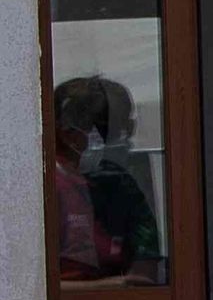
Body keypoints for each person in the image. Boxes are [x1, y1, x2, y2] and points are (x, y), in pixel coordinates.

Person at [50, 74, 161, 281]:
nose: (120, 140)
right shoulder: (43, 188)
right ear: (66, 132)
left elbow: (145, 268)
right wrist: (115, 286)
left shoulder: (121, 184)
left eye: (125, 129)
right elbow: (33, 292)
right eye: (108, 131)